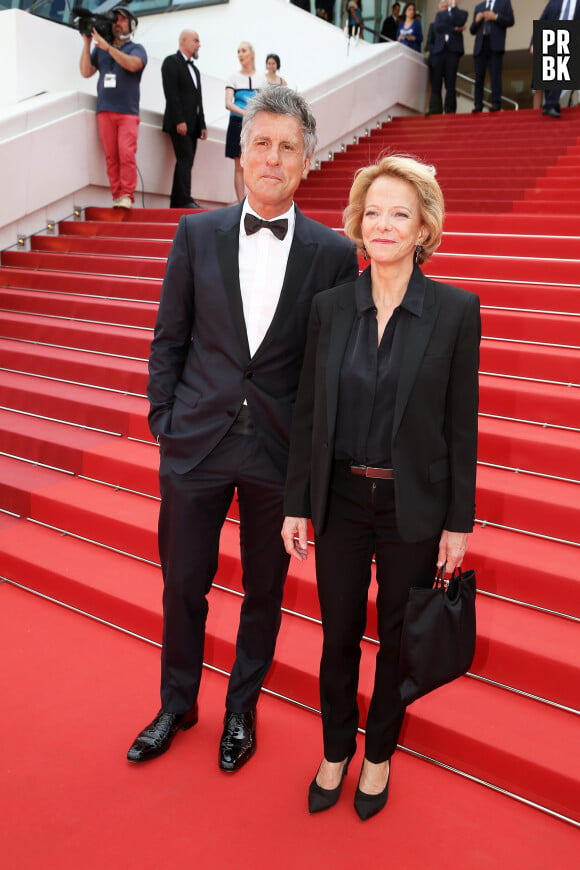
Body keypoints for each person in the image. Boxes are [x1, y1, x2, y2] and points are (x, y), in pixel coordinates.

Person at [126, 87, 359, 772]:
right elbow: (169, 338)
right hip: (195, 441)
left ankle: (240, 709)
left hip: (278, 453)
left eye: (288, 147)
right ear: (240, 152)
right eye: (262, 143)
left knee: (264, 592)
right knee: (182, 584)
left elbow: (326, 369)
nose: (273, 157)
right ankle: (177, 703)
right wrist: (164, 423)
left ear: (307, 161)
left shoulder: (330, 253)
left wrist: (312, 465)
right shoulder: (195, 234)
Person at [282, 154, 480, 821]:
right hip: (340, 498)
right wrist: (297, 503)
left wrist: (459, 521)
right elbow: (309, 410)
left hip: (412, 507)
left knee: (397, 638)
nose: (385, 225)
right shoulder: (330, 308)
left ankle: (378, 755)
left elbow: (461, 421)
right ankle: (337, 747)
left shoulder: (456, 311)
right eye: (374, 213)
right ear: (357, 225)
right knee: (338, 633)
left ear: (423, 227)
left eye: (401, 213)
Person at [79, 7, 147, 209]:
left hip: (127, 111)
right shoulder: (100, 48)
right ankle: (117, 196)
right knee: (111, 156)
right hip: (104, 110)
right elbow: (85, 71)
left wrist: (108, 48)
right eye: (115, 20)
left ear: (131, 25)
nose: (118, 23)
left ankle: (127, 194)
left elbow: (134, 65)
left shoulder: (136, 48)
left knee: (126, 153)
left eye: (122, 20)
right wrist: (87, 42)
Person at [161, 30, 207, 209]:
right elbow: (171, 94)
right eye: (196, 40)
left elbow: (198, 99)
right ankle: (184, 199)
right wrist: (179, 120)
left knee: (187, 160)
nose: (198, 44)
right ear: (184, 41)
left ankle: (178, 200)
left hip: (193, 125)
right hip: (179, 123)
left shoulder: (195, 69)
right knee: (185, 158)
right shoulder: (171, 62)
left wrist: (201, 123)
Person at [531, 0, 580, 118]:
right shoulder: (554, 2)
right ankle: (551, 105)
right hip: (552, 36)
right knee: (550, 72)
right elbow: (543, 19)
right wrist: (534, 43)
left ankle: (551, 104)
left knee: (560, 68)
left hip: (571, 37)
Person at [225, 42, 258, 202]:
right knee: (239, 165)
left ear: (251, 54)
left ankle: (254, 199)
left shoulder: (261, 79)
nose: (240, 54)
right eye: (238, 51)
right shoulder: (233, 78)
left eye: (243, 51)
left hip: (255, 126)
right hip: (237, 124)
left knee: (255, 163)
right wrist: (246, 113)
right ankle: (240, 202)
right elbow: (228, 103)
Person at [469, 0, 514, 113]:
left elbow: (511, 21)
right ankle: (478, 104)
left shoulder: (504, 3)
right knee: (479, 76)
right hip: (480, 45)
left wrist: (496, 17)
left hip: (495, 44)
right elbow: (472, 30)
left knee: (495, 75)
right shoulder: (479, 6)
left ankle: (496, 103)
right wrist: (477, 21)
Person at [428, 0, 468, 114]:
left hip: (452, 53)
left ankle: (450, 110)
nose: (446, 9)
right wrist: (454, 29)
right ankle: (435, 110)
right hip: (438, 53)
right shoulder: (438, 17)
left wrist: (454, 7)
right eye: (444, 7)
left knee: (450, 83)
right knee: (436, 83)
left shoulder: (461, 13)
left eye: (447, 7)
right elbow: (438, 27)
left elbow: (460, 21)